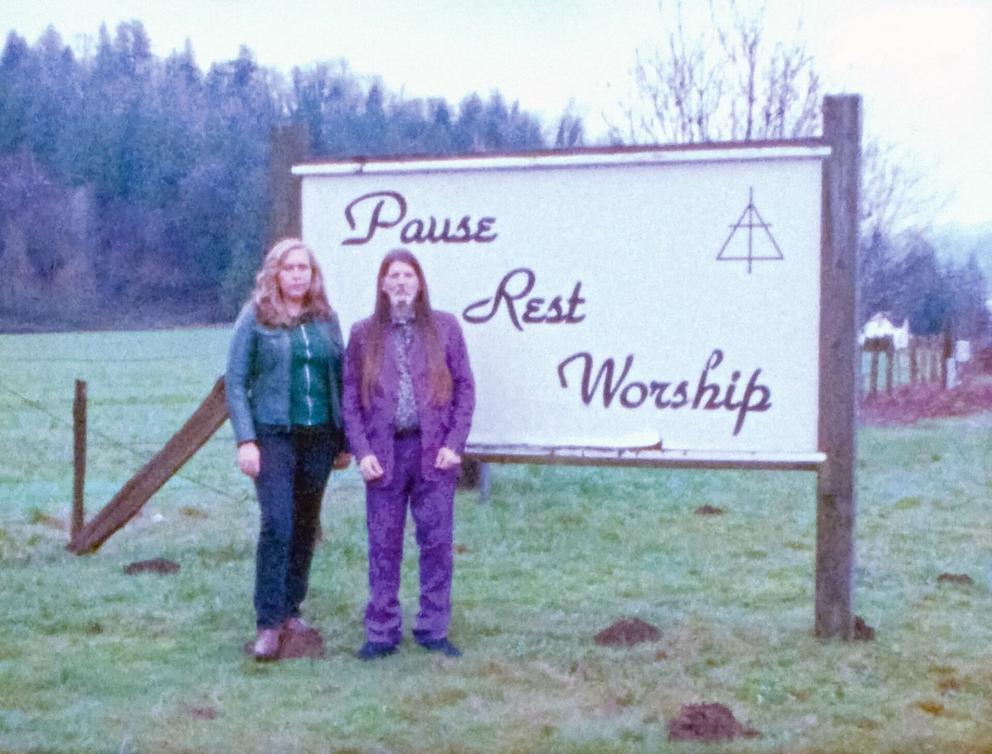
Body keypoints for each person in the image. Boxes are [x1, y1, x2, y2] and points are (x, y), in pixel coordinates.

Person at [343, 248, 475, 660]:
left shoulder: (445, 329)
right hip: (383, 454)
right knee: (383, 543)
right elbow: (348, 397)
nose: (401, 283)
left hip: (433, 452)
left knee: (436, 542)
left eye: (408, 276)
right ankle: (381, 631)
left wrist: (454, 445)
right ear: (383, 285)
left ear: (419, 283)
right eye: (393, 276)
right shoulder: (364, 334)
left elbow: (465, 390)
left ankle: (432, 628)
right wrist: (361, 450)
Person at [226, 238, 350, 661]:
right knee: (277, 522)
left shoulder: (325, 319)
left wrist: (345, 439)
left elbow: (341, 377)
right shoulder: (255, 317)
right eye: (290, 268)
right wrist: (246, 440)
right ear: (274, 273)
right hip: (273, 435)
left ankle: (292, 611)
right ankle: (267, 622)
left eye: (305, 268)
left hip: (319, 437)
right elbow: (236, 383)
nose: (298, 275)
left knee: (304, 524)